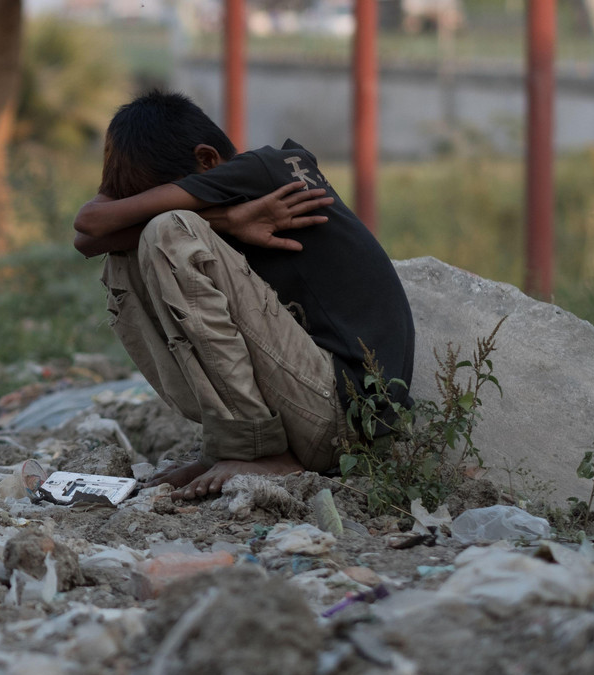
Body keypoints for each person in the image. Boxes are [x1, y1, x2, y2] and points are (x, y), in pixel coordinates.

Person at [72, 90, 415, 500]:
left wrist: (193, 218)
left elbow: (92, 220)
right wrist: (226, 219)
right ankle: (231, 440)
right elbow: (89, 235)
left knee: (168, 232)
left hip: (344, 415)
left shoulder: (269, 167)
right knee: (122, 257)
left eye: (156, 196)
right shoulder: (226, 209)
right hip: (303, 404)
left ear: (207, 160)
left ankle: (254, 446)